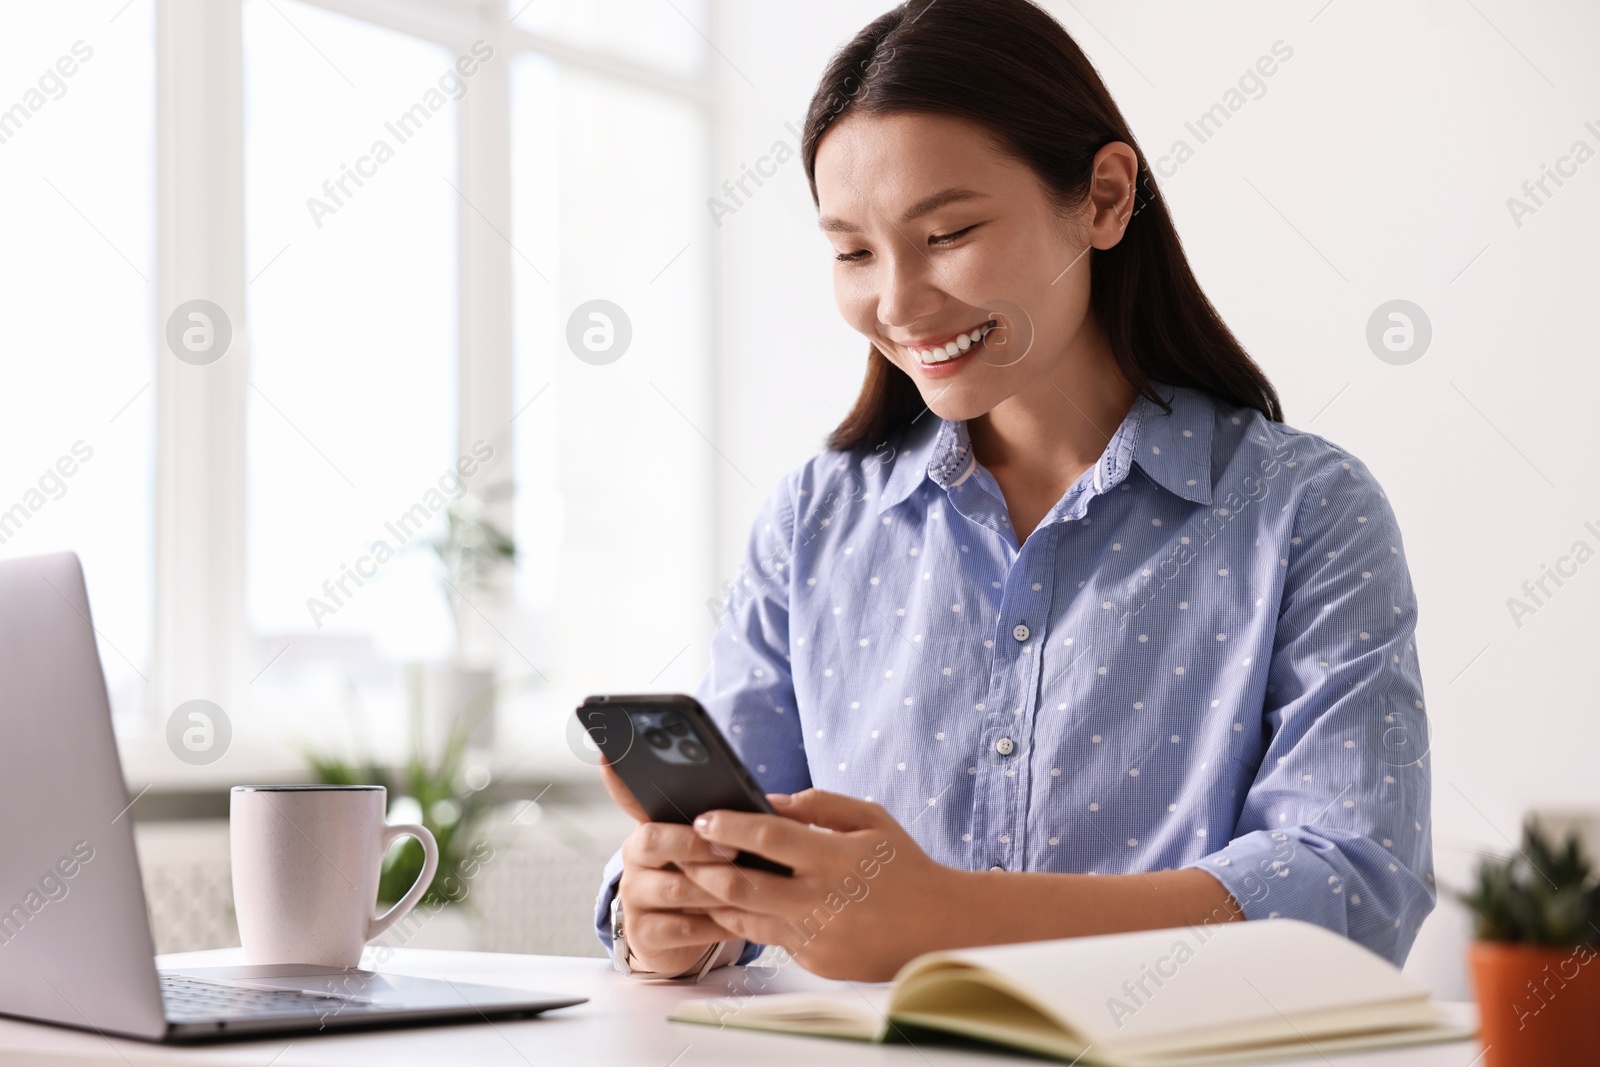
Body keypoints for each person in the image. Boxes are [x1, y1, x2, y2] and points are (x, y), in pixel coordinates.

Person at [594, 0, 1434, 983]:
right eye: (853, 251)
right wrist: (669, 910)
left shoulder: (1307, 512)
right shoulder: (811, 521)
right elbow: (742, 844)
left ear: (1105, 198)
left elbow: (1349, 889)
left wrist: (949, 916)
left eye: (947, 231)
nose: (897, 302)